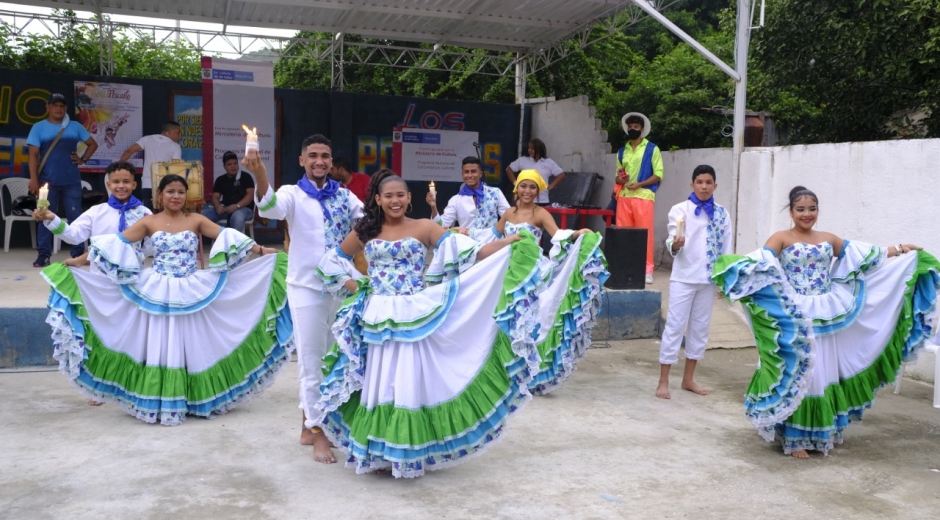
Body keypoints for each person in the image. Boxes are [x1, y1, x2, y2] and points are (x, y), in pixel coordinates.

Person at [312, 170, 543, 478]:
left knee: (406, 377)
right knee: (379, 379)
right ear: (378, 200)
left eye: (401, 195)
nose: (395, 201)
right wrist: (358, 286)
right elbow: (332, 261)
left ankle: (405, 450)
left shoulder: (425, 226)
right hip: (377, 313)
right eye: (389, 196)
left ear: (409, 199)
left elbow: (471, 253)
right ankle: (379, 451)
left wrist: (508, 244)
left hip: (412, 311)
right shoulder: (366, 229)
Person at [38, 174, 288, 425]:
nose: (176, 196)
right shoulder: (149, 221)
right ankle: (160, 396)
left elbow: (227, 235)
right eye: (170, 191)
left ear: (185, 195)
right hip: (157, 288)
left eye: (180, 192)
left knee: (192, 342)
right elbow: (117, 243)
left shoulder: (196, 219)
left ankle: (191, 396)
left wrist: (261, 250)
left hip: (190, 288)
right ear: (160, 194)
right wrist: (80, 261)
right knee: (161, 342)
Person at [712, 186, 939, 458]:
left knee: (822, 369)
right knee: (799, 367)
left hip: (827, 309)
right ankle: (795, 438)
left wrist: (902, 249)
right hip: (795, 311)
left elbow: (867, 256)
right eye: (801, 209)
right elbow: (758, 264)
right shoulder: (780, 238)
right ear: (791, 211)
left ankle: (819, 430)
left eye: (812, 209)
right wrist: (732, 281)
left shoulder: (828, 239)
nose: (807, 214)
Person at [244, 134, 363, 464]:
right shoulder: (292, 194)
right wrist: (259, 174)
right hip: (306, 289)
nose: (320, 161)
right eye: (313, 155)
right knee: (312, 363)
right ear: (302, 161)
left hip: (341, 289)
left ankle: (309, 427)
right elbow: (268, 209)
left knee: (333, 360)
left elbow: (369, 223)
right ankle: (319, 433)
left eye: (325, 155)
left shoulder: (346, 196)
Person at [484, 169, 609, 395]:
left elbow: (558, 235)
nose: (527, 191)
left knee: (529, 321)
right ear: (516, 188)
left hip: (531, 274)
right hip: (506, 272)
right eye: (524, 186)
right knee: (507, 320)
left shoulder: (540, 213)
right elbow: (491, 235)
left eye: (533, 187)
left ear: (538, 191)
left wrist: (577, 234)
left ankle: (531, 373)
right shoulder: (509, 213)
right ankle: (507, 370)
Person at [656, 165, 732, 400]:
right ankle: (663, 380)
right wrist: (675, 244)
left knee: (699, 329)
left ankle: (688, 379)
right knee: (675, 327)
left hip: (708, 279)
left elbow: (726, 247)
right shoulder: (680, 210)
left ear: (715, 186)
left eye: (709, 182)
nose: (704, 186)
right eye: (699, 182)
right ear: (692, 185)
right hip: (684, 277)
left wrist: (725, 281)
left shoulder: (722, 213)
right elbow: (672, 239)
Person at [34, 160, 152, 270]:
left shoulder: (144, 213)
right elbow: (74, 236)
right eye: (116, 182)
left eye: (126, 182)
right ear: (109, 184)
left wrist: (135, 255)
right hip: (100, 275)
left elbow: (153, 242)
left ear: (134, 185)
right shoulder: (96, 211)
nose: (121, 186)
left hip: (132, 273)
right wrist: (53, 219)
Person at [27, 92, 99, 267]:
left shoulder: (74, 126)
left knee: (76, 218)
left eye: (62, 106)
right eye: (55, 105)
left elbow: (93, 144)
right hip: (46, 182)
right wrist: (33, 179)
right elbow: (33, 156)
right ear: (48, 107)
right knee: (45, 217)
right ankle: (43, 255)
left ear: (65, 108)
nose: (59, 109)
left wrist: (83, 159)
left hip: (71, 181)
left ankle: (77, 254)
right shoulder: (38, 127)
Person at [614, 112, 663, 285]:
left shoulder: (652, 149)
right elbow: (617, 177)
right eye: (630, 127)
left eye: (635, 126)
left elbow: (658, 174)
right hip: (625, 197)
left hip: (643, 196)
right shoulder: (621, 151)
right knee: (623, 234)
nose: (632, 129)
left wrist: (640, 184)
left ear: (642, 129)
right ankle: (625, 266)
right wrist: (622, 179)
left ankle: (647, 269)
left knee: (644, 234)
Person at [427, 156, 510, 229]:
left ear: (480, 174)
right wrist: (433, 207)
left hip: (491, 243)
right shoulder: (456, 200)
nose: (470, 175)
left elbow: (509, 218)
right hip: (467, 245)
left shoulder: (495, 193)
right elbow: (440, 226)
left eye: (473, 171)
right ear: (462, 174)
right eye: (466, 172)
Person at [118, 121, 182, 208]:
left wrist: (119, 168)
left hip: (147, 184)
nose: (179, 136)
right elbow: (175, 166)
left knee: (148, 212)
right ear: (170, 132)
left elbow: (129, 151)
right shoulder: (175, 146)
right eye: (178, 133)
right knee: (163, 213)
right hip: (166, 186)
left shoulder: (147, 139)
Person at [201, 151, 256, 233]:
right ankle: (216, 238)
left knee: (237, 216)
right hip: (226, 208)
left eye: (235, 163)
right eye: (229, 164)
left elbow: (250, 195)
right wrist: (217, 206)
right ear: (224, 166)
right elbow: (215, 197)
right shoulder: (220, 179)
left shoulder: (245, 177)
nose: (233, 166)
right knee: (202, 214)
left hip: (244, 209)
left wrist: (237, 206)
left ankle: (234, 244)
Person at [505, 138, 564, 205]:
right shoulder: (522, 160)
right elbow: (509, 169)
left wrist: (550, 186)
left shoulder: (548, 162)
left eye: (532, 148)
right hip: (524, 199)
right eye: (529, 148)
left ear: (539, 149)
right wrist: (516, 183)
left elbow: (561, 174)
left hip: (542, 200)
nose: (529, 150)